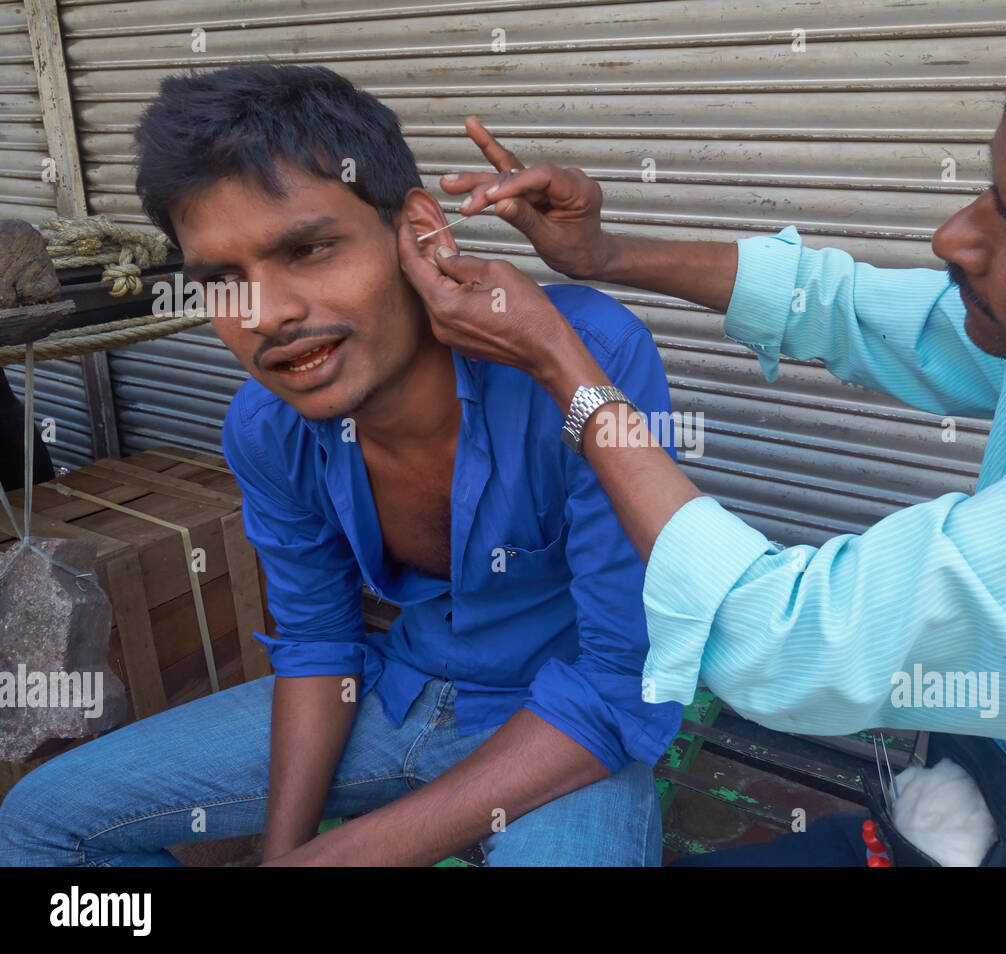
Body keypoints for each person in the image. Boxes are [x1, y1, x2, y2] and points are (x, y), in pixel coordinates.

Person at [396, 0, 1006, 865]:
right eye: (991, 189)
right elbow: (854, 308)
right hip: (992, 812)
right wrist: (604, 257)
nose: (954, 238)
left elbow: (782, 635)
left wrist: (564, 365)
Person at [0, 63, 682, 867]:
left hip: (563, 730)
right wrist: (285, 852)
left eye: (311, 248)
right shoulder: (266, 427)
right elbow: (320, 642)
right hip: (393, 694)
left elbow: (615, 684)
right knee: (39, 826)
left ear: (420, 231)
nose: (269, 315)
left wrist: (340, 857)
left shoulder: (581, 361)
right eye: (223, 281)